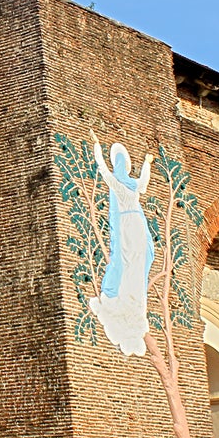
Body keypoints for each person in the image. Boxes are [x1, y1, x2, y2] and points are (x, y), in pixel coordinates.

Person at [86, 128, 154, 356]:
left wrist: (97, 147)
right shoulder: (130, 184)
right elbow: (144, 180)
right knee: (134, 260)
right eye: (121, 162)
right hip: (135, 223)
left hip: (129, 224)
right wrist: (146, 162)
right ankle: (128, 299)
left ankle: (125, 296)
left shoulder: (119, 183)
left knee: (131, 259)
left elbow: (103, 171)